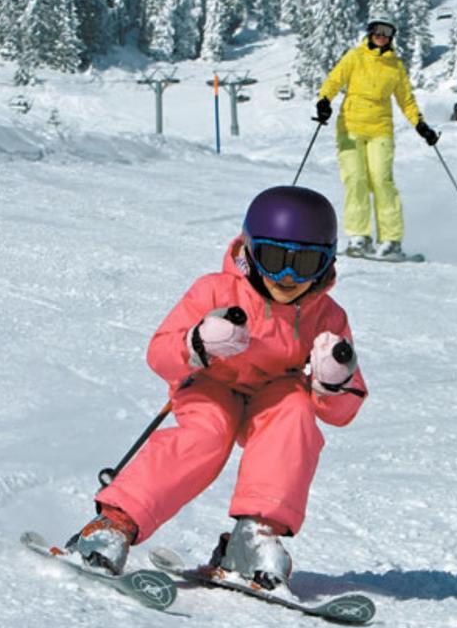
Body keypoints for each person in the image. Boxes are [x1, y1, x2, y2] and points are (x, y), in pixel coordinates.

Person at [71, 186, 367, 590]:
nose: (287, 278)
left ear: (327, 263)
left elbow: (343, 411)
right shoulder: (214, 290)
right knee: (207, 434)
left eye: (306, 264)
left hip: (272, 393)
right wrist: (196, 344)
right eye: (275, 259)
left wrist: (334, 383)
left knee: (295, 413)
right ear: (249, 250)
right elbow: (159, 354)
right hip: (212, 384)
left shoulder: (327, 315)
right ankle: (114, 524)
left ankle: (253, 538)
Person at [315, 18, 439, 262]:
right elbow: (334, 80)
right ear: (370, 33)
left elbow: (406, 100)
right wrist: (324, 101)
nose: (382, 36)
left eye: (387, 33)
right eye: (378, 32)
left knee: (382, 180)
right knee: (356, 179)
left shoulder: (395, 66)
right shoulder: (355, 56)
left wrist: (420, 125)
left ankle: (391, 240)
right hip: (350, 127)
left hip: (380, 129)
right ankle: (359, 237)